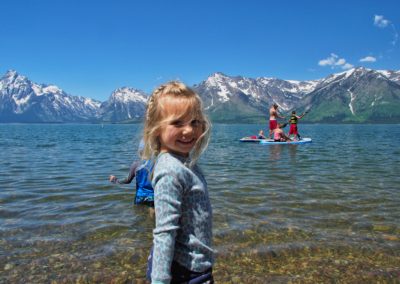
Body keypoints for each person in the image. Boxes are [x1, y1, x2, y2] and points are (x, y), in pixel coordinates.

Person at [142, 81, 214, 283]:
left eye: (195, 122)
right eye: (177, 123)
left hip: (193, 266)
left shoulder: (183, 162)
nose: (189, 130)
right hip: (184, 272)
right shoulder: (170, 170)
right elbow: (165, 231)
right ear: (156, 129)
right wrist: (160, 280)